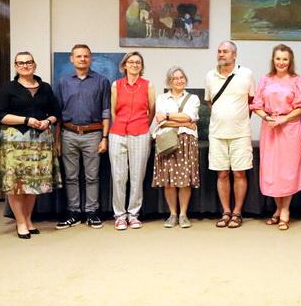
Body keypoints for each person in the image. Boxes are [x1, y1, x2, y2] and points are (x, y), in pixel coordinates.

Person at [0, 52, 61, 239]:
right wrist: (26, 120)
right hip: (15, 142)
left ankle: (28, 220)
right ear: (15, 66)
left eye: (28, 62)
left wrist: (48, 121)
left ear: (34, 65)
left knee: (33, 183)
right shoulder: (8, 88)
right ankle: (20, 222)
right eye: (20, 63)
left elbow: (56, 112)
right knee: (16, 185)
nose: (25, 65)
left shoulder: (45, 87)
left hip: (40, 142)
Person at [250, 44, 301, 231]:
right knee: (272, 170)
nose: (281, 62)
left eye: (285, 59)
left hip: (290, 128)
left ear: (290, 61)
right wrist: (267, 117)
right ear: (273, 60)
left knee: (288, 170)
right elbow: (256, 105)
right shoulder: (265, 80)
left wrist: (284, 119)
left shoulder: (297, 81)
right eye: (278, 58)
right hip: (270, 128)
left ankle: (285, 210)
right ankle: (278, 208)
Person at [54, 44, 111, 230]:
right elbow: (57, 113)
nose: (82, 59)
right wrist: (57, 140)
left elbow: (106, 111)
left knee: (92, 176)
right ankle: (74, 212)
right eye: (78, 56)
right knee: (71, 177)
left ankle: (92, 212)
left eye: (86, 56)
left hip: (93, 134)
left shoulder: (102, 81)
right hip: (68, 134)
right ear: (72, 59)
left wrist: (105, 137)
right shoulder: (63, 82)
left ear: (90, 59)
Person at [205, 41, 256, 229]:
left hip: (240, 133)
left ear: (234, 55)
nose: (221, 54)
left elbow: (251, 101)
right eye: (219, 51)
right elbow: (210, 102)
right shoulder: (210, 76)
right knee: (222, 174)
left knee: (239, 173)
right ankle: (226, 211)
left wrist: (238, 119)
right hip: (217, 133)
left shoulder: (246, 74)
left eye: (225, 51)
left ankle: (237, 212)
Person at [109, 51, 155, 231]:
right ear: (124, 65)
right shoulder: (116, 85)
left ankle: (133, 214)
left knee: (137, 176)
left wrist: (142, 125)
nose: (134, 65)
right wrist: (119, 126)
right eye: (131, 62)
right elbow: (113, 110)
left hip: (140, 132)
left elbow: (152, 110)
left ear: (141, 66)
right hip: (118, 133)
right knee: (119, 177)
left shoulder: (148, 85)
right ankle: (120, 216)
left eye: (138, 62)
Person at [152, 66, 201, 228]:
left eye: (182, 77)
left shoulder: (193, 98)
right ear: (169, 81)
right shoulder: (161, 98)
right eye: (175, 78)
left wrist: (168, 116)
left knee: (185, 180)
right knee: (169, 180)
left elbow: (189, 116)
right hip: (167, 140)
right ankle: (173, 214)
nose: (179, 80)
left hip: (187, 141)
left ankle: (183, 214)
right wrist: (185, 122)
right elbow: (162, 121)